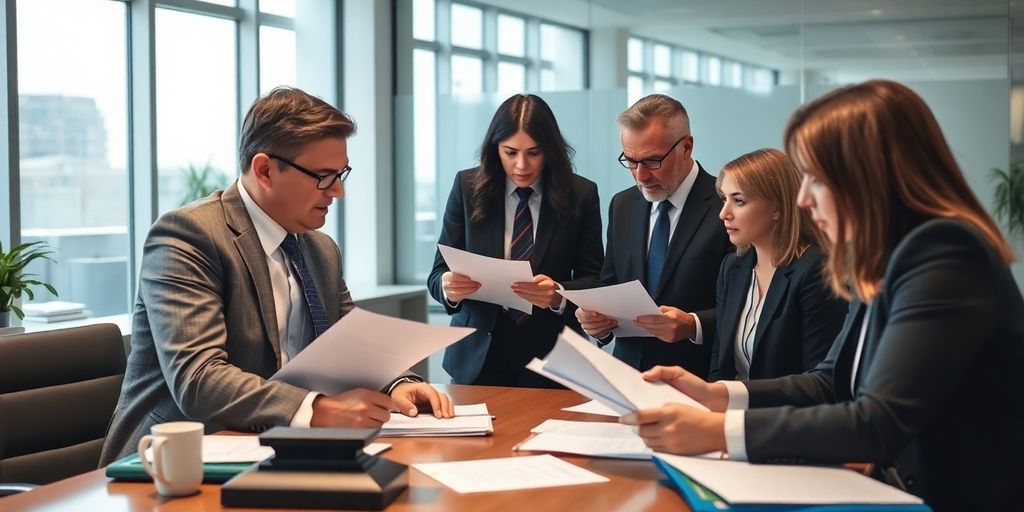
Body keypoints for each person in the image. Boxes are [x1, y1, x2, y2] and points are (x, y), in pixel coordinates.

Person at [621, 80, 1024, 510]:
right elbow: (830, 381)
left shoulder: (943, 253)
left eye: (816, 177)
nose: (803, 198)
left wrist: (718, 431)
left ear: (868, 176)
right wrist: (716, 396)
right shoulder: (885, 257)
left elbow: (877, 422)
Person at [100, 87, 452, 466]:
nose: (338, 191)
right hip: (174, 464)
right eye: (323, 176)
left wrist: (398, 383)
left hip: (280, 450)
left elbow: (354, 346)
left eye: (341, 174)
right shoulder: (189, 235)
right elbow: (198, 378)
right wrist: (314, 409)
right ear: (265, 170)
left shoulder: (319, 249)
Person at [427, 94, 603, 386]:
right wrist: (449, 288)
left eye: (534, 153)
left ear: (550, 150)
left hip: (554, 356)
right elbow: (437, 275)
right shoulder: (467, 188)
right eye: (510, 152)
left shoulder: (581, 194)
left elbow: (595, 279)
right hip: (478, 355)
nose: (522, 165)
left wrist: (559, 294)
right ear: (494, 148)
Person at [576, 94, 732, 378]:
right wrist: (596, 322)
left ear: (686, 147)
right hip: (628, 376)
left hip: (699, 379)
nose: (641, 175)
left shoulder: (726, 206)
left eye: (652, 161)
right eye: (631, 161)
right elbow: (610, 284)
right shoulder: (622, 205)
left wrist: (693, 325)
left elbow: (747, 307)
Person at [708, 148, 846, 381]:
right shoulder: (731, 268)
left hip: (783, 415)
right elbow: (718, 363)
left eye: (739, 201)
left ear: (777, 208)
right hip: (729, 413)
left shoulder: (814, 270)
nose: (724, 213)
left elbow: (819, 381)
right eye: (724, 199)